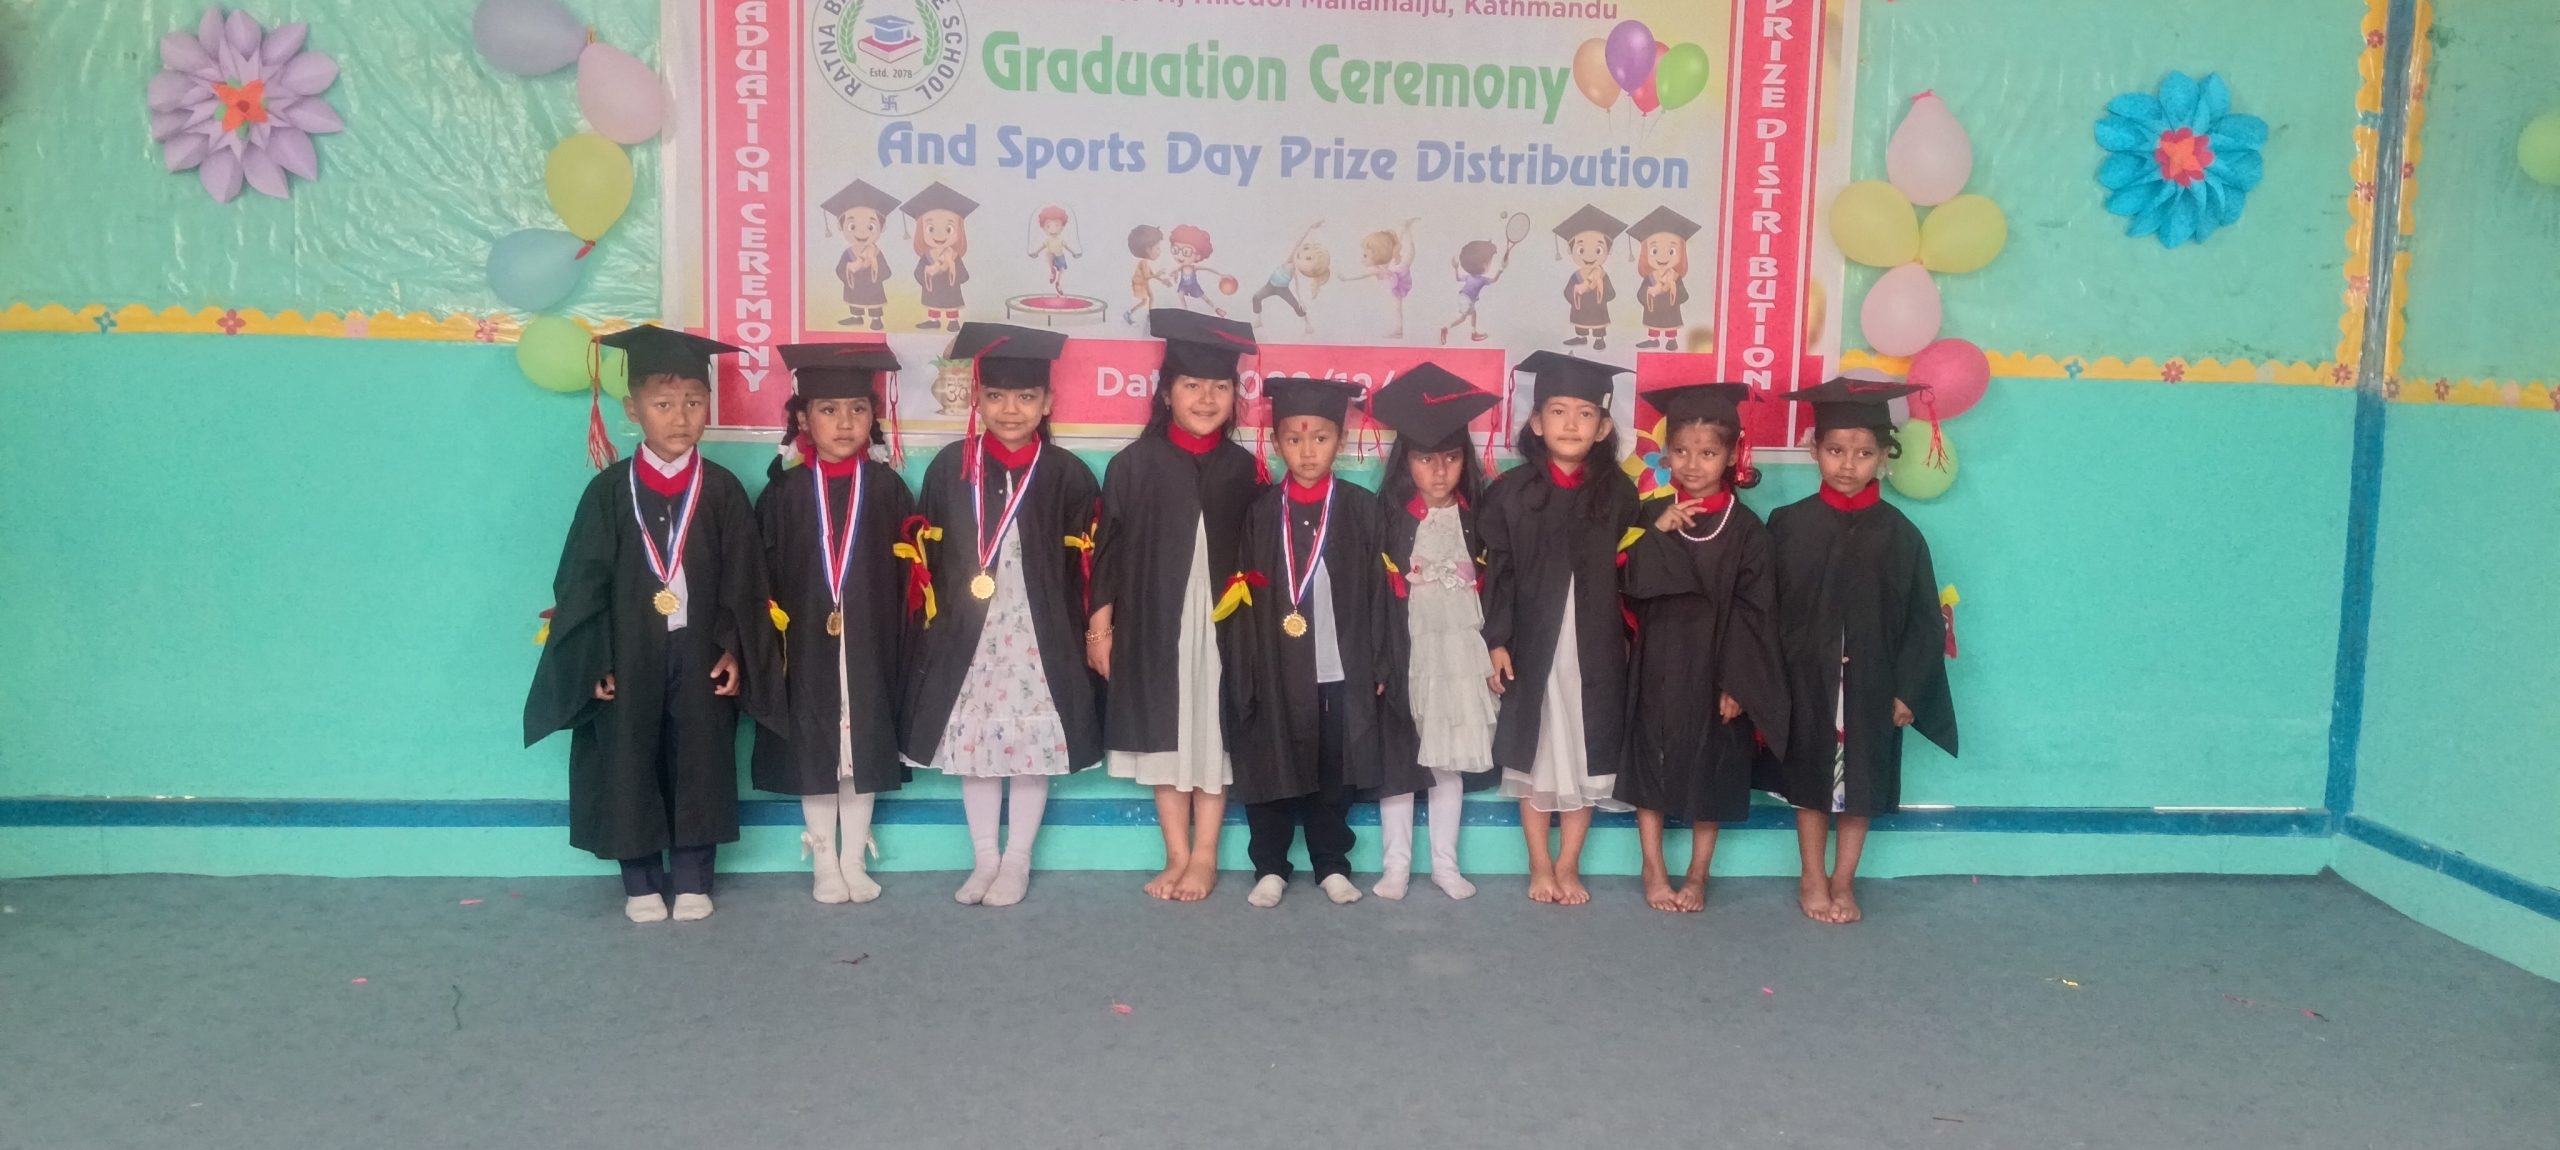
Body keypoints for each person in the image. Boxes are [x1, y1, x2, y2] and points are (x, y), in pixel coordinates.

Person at [523, 325, 781, 925]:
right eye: (664, 404)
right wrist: (596, 659)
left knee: (701, 757)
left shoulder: (722, 490)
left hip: (699, 651)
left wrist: (734, 649)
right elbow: (581, 583)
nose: (680, 417)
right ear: (632, 409)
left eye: (694, 402)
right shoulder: (609, 491)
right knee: (626, 757)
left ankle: (692, 878)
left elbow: (746, 581)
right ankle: (639, 881)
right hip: (628, 652)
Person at [903, 323, 1104, 908]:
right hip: (969, 633)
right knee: (978, 749)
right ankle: (985, 858)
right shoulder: (950, 466)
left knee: (1030, 750)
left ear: (1047, 402)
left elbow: (1088, 564)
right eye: (995, 396)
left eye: (1025, 397)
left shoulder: (1066, 473)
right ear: (977, 399)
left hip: (1039, 634)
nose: (1010, 410)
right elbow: (928, 557)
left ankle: (1016, 860)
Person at [1764, 378, 1958, 924]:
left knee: (1863, 784)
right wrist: (1772, 683)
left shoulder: (1901, 534)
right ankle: (1812, 876)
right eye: (1835, 450)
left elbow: (1924, 621)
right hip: (1807, 681)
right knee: (1809, 782)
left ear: (1884, 456)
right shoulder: (1788, 525)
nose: (1848, 464)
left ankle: (1844, 882)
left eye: (1863, 453)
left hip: (1874, 684)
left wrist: (1908, 690)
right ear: (1814, 450)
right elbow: (1765, 611)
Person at [1088, 309, 1267, 901]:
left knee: (1213, 731)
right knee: (1164, 734)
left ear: (1235, 396)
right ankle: (1177, 853)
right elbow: (1107, 552)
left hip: (1226, 628)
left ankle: (1206, 855)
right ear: (1166, 393)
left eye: (1220, 386)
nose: (1206, 398)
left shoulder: (1245, 471)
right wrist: (1100, 629)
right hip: (1153, 623)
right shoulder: (1133, 464)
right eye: (1192, 385)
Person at [749, 342, 915, 905]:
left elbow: (910, 574)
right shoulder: (784, 493)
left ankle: (853, 858)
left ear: (873, 417)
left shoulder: (889, 489)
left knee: (863, 742)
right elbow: (762, 576)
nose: (845, 423)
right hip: (803, 643)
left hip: (871, 639)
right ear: (802, 419)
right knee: (814, 745)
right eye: (828, 410)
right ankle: (824, 859)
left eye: (857, 409)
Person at [1616, 383, 1787, 913]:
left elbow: (1757, 610)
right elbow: (1624, 588)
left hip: (1717, 666)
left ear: (1731, 456)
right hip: (1658, 661)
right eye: (1682, 451)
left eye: (1708, 452)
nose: (1693, 464)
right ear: (1667, 454)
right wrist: (1655, 533)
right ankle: (1653, 866)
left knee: (1713, 763)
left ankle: (1697, 872)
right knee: (1650, 759)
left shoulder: (1748, 530)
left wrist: (1739, 682)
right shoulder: (1647, 516)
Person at [1481, 351, 1640, 905]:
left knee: (1585, 753)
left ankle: (1569, 864)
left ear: (1603, 428)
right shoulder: (1510, 492)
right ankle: (1540, 864)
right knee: (1538, 753)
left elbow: (1635, 569)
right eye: (1557, 411)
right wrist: (1497, 640)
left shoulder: (1619, 493)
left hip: (1596, 648)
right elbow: (1497, 573)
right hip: (1532, 646)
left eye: (1585, 413)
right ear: (1535, 421)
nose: (1571, 424)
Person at [1229, 376, 1389, 908]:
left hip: (1340, 665)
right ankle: (1270, 866)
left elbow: (1380, 591)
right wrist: (1248, 666)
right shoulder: (1260, 512)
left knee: (1334, 770)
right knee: (1270, 758)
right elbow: (1244, 595)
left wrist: (1379, 660)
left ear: (1340, 441)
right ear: (1276, 443)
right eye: (1294, 439)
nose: (1307, 451)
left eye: (1320, 438)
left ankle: (1331, 864)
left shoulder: (1362, 508)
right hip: (1275, 663)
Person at [1362, 362, 1502, 900]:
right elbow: (1373, 597)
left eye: (1451, 458)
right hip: (1406, 652)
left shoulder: (1480, 518)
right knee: (1399, 761)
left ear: (1465, 459)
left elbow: (1498, 588)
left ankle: (1446, 864)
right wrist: (1379, 659)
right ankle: (1395, 865)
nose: (1439, 471)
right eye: (1425, 459)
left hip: (1459, 657)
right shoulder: (1388, 519)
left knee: (1450, 761)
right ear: (1406, 461)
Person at [823, 179, 898, 330]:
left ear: (881, 227)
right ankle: (856, 317)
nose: (861, 232)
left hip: (873, 289)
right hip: (854, 289)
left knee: (874, 303)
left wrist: (873, 265)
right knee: (854, 301)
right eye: (852, 226)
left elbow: (887, 272)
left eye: (871, 226)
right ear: (841, 226)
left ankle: (876, 319)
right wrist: (850, 268)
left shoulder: (876, 253)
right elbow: (839, 270)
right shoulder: (848, 253)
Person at [903, 182, 977, 332]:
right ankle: (933, 321)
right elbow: (918, 274)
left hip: (950, 292)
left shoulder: (953, 256)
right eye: (930, 228)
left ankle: (952, 321)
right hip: (933, 292)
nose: (939, 235)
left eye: (949, 229)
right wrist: (930, 271)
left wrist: (951, 265)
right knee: (933, 304)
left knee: (951, 305)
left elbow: (964, 276)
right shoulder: (927, 256)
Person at [1555, 205, 1624, 350]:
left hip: (1598, 311)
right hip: (1580, 311)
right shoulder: (1576, 276)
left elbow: (1611, 294)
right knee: (1580, 324)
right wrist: (1577, 291)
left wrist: (1599, 286)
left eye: (1598, 250)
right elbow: (1567, 292)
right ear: (1570, 250)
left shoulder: (1602, 276)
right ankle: (1581, 337)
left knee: (1599, 325)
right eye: (1581, 250)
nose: (1590, 256)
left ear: (1608, 250)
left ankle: (1599, 339)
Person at [1627, 207, 1696, 351]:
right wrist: (1651, 292)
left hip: (1671, 312)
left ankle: (1671, 340)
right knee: (1653, 324)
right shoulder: (1650, 278)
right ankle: (1653, 340)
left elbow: (1684, 296)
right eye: (1654, 251)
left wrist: (1673, 287)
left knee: (1671, 325)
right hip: (1654, 312)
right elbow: (1640, 295)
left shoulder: (1675, 277)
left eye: (1671, 251)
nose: (1663, 257)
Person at [1338, 218, 1419, 339]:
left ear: (1378, 255)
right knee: (1397, 307)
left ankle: (1405, 227)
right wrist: (1346, 278)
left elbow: (1363, 274)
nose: (1362, 259)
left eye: (1365, 255)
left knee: (1409, 252)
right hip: (1396, 280)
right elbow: (1363, 274)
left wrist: (1346, 278)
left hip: (1399, 273)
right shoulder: (1378, 267)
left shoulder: (1388, 264)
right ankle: (1398, 330)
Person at [1249, 220, 1331, 337]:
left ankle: (1307, 324)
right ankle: (1258, 320)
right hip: (1270, 285)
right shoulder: (1290, 260)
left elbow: (1297, 287)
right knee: (1256, 297)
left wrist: (1300, 300)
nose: (1300, 257)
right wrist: (1309, 228)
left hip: (1282, 289)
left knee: (1297, 306)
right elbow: (1298, 243)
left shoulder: (1296, 272)